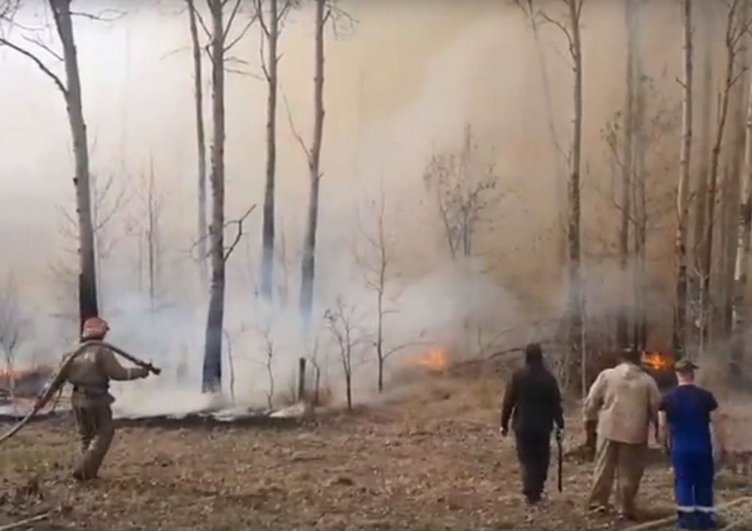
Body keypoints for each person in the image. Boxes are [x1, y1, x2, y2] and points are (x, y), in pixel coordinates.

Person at [35, 317, 152, 481]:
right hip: (97, 399)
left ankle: (88, 473)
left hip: (77, 400)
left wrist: (42, 399)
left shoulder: (71, 353)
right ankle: (82, 470)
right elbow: (118, 374)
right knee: (104, 432)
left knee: (86, 436)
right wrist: (140, 372)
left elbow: (56, 379)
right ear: (102, 333)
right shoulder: (102, 351)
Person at [583, 347, 661, 520]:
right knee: (629, 472)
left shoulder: (607, 375)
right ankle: (624, 508)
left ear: (621, 359)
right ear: (638, 360)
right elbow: (656, 407)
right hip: (635, 432)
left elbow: (592, 400)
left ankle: (598, 503)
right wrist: (657, 432)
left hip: (608, 428)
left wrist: (589, 420)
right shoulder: (647, 381)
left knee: (603, 468)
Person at [659, 359, 725, 530]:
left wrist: (664, 446)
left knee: (683, 483)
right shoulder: (706, 396)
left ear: (677, 374)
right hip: (703, 448)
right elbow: (718, 424)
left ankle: (686, 523)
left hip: (681, 449)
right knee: (704, 483)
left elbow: (662, 426)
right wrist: (722, 447)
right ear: (692, 374)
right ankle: (705, 522)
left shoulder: (667, 398)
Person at [500, 343, 564, 506]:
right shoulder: (548, 378)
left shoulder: (518, 375)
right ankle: (537, 489)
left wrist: (504, 423)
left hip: (522, 425)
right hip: (543, 425)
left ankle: (530, 491)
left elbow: (509, 401)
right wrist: (560, 424)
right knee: (541, 458)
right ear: (541, 356)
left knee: (526, 458)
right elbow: (555, 403)